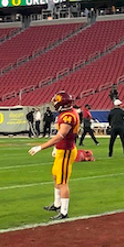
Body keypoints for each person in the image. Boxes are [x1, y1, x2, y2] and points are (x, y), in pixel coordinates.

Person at [29, 90, 80, 221]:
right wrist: (56, 148)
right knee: (55, 175)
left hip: (66, 151)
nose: (54, 105)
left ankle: (64, 212)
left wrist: (40, 147)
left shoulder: (68, 116)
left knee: (62, 182)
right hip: (62, 149)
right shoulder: (66, 113)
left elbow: (60, 136)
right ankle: (57, 204)